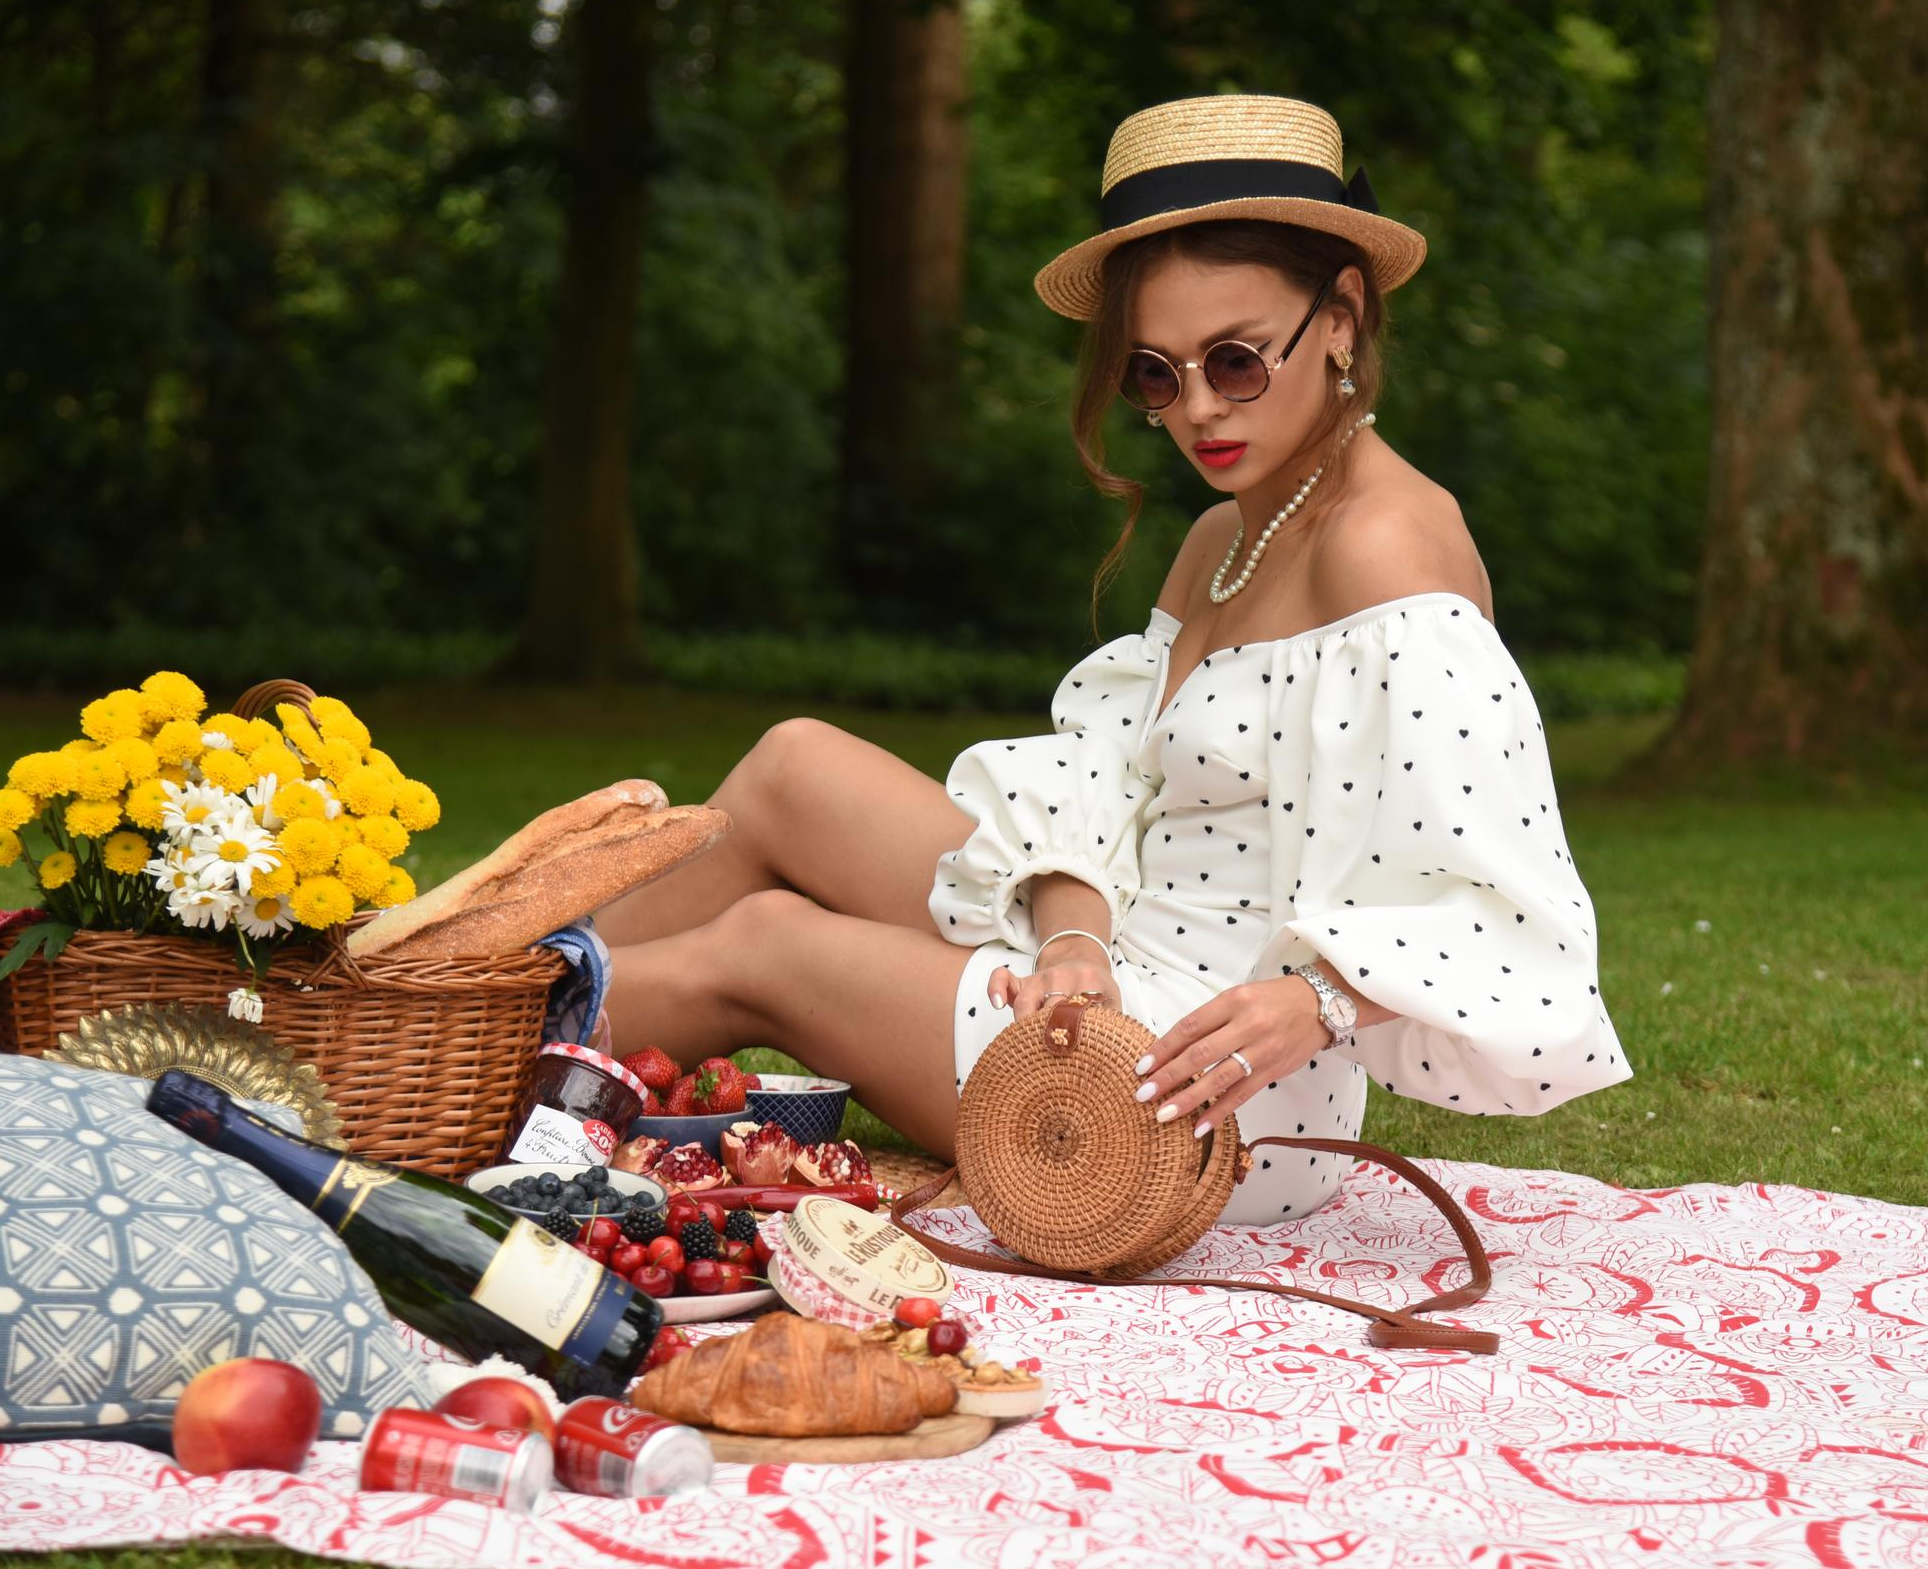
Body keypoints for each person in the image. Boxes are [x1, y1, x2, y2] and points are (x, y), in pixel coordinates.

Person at [592, 94, 1630, 1222]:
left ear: (1341, 314)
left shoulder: (1382, 544)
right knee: (796, 762)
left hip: (1205, 1090)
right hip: (1111, 954)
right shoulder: (1225, 534)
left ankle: (444, 1030)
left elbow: (1507, 905)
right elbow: (1107, 777)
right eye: (1152, 373)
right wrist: (1074, 931)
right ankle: (472, 968)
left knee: (769, 947)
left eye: (1233, 361)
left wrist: (1313, 1003)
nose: (1195, 411)